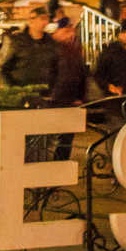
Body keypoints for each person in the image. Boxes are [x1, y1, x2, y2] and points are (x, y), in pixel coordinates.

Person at [48, 17, 88, 160]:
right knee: (50, 137)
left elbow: (81, 74)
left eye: (71, 31)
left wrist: (81, 97)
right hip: (55, 99)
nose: (70, 34)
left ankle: (60, 166)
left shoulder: (75, 49)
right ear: (57, 32)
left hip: (70, 100)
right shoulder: (51, 49)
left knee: (66, 138)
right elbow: (49, 74)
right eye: (66, 31)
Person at [0, 6, 57, 88]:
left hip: (45, 92)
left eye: (47, 19)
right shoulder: (15, 41)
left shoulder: (51, 42)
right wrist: (13, 89)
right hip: (22, 92)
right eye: (42, 19)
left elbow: (56, 68)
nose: (46, 22)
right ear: (31, 20)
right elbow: (3, 68)